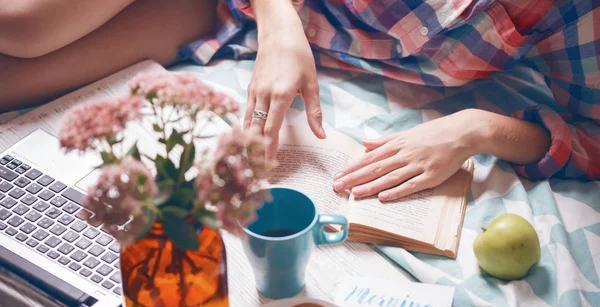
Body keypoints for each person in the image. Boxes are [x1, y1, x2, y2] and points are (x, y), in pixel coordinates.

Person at [1, 1, 599, 202]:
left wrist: (477, 129)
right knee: (21, 27)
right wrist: (280, 24)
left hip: (217, 15)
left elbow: (592, 136)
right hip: (264, 15)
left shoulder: (574, 11)